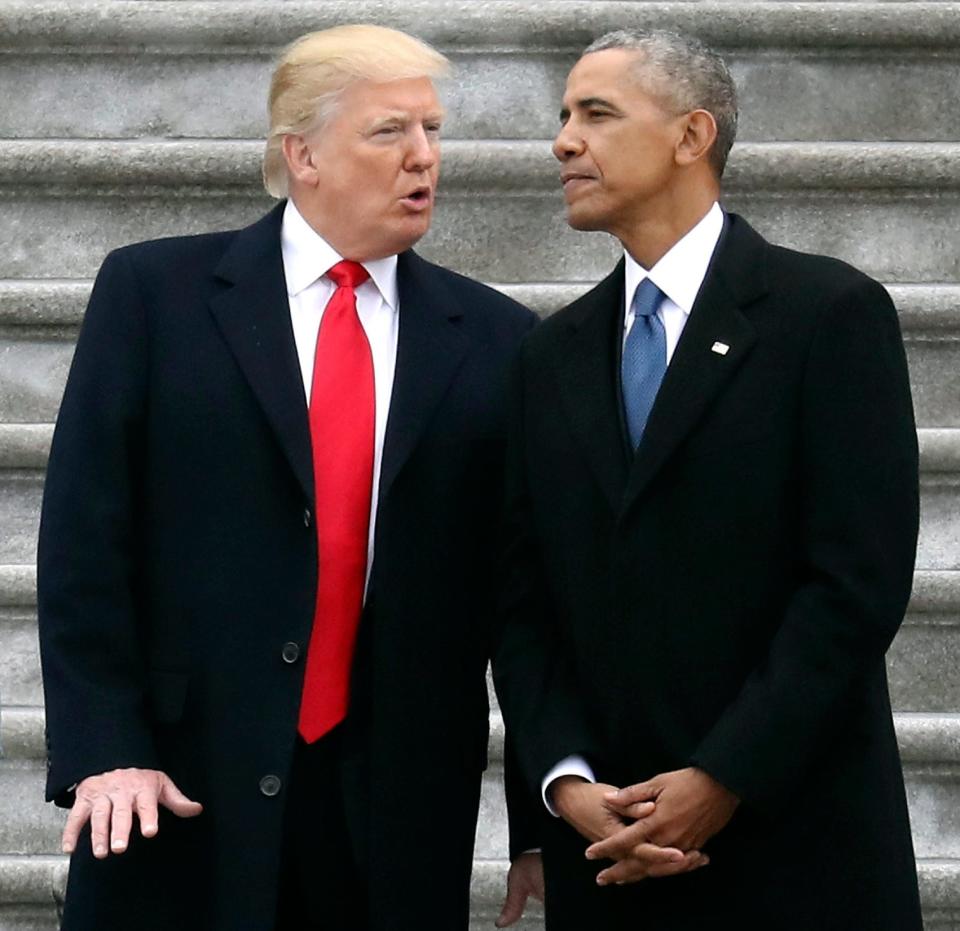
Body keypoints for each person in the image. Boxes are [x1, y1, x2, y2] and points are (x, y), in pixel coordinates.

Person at [38, 24, 542, 931]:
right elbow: (84, 538)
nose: (424, 157)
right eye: (390, 132)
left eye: (433, 131)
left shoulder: (499, 338)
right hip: (175, 787)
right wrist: (104, 748)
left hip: (394, 814)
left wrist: (543, 806)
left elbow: (526, 590)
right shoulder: (155, 294)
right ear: (300, 154)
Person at [493, 28, 923, 930]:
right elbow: (522, 597)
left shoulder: (828, 316)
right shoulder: (549, 355)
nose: (563, 140)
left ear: (692, 136)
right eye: (564, 116)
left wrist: (724, 774)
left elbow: (854, 584)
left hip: (793, 847)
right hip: (609, 858)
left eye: (596, 114)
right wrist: (564, 780)